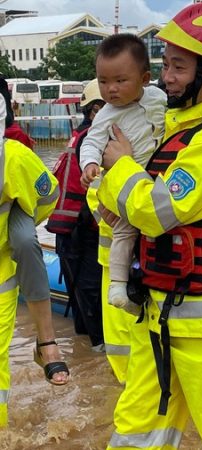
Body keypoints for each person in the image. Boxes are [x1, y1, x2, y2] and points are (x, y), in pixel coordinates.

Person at [97, 4, 202, 448]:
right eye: (164, 65)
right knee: (136, 428)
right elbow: (124, 206)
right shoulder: (175, 129)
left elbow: (155, 211)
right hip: (157, 313)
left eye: (178, 67)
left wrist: (118, 169)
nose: (166, 78)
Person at [79, 33, 167, 312]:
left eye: (120, 81)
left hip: (151, 180)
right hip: (124, 182)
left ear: (144, 79)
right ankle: (118, 284)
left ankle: (140, 283)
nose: (111, 90)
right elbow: (91, 141)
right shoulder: (106, 114)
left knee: (151, 226)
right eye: (103, 82)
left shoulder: (159, 98)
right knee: (125, 230)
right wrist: (90, 164)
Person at [0, 78, 70, 392]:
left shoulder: (15, 154)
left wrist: (19, 216)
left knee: (27, 241)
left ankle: (47, 341)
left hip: (11, 247)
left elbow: (47, 195)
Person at [47, 79, 106, 352]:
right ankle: (98, 347)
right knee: (89, 289)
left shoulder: (82, 136)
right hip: (83, 230)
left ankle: (86, 349)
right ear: (95, 109)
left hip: (68, 229)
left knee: (81, 291)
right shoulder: (94, 140)